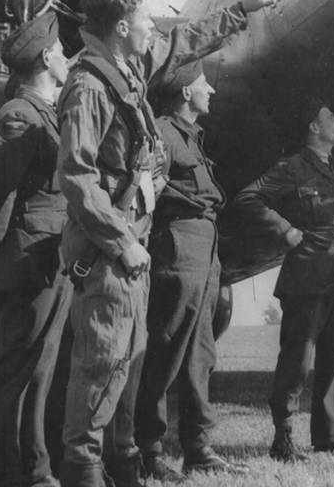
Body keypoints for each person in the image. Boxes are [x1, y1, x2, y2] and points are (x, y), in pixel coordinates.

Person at [56, 0, 280, 487]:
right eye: (143, 22)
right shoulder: (90, 86)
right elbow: (76, 176)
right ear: (120, 28)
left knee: (129, 363)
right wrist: (123, 241)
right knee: (101, 363)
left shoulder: (127, 68)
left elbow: (183, 40)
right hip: (108, 248)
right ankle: (82, 472)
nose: (152, 28)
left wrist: (243, 9)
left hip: (130, 247)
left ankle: (123, 464)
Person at [232, 99, 334, 464]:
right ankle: (283, 438)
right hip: (307, 276)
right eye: (331, 117)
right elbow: (248, 198)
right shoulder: (292, 168)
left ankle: (328, 436)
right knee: (298, 359)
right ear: (314, 127)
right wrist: (286, 231)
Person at [132, 60, 249, 481]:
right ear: (184, 93)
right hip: (178, 251)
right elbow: (143, 190)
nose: (211, 91)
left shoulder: (191, 137)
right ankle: (146, 449)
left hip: (203, 250)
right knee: (164, 352)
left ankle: (198, 447)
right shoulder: (162, 132)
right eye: (203, 85)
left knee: (200, 355)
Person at [0, 13, 71, 487]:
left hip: (48, 259)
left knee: (38, 371)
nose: (67, 58)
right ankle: (5, 474)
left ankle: (34, 471)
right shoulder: (19, 115)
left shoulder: (47, 113)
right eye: (60, 51)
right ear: (45, 59)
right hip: (26, 262)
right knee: (16, 374)